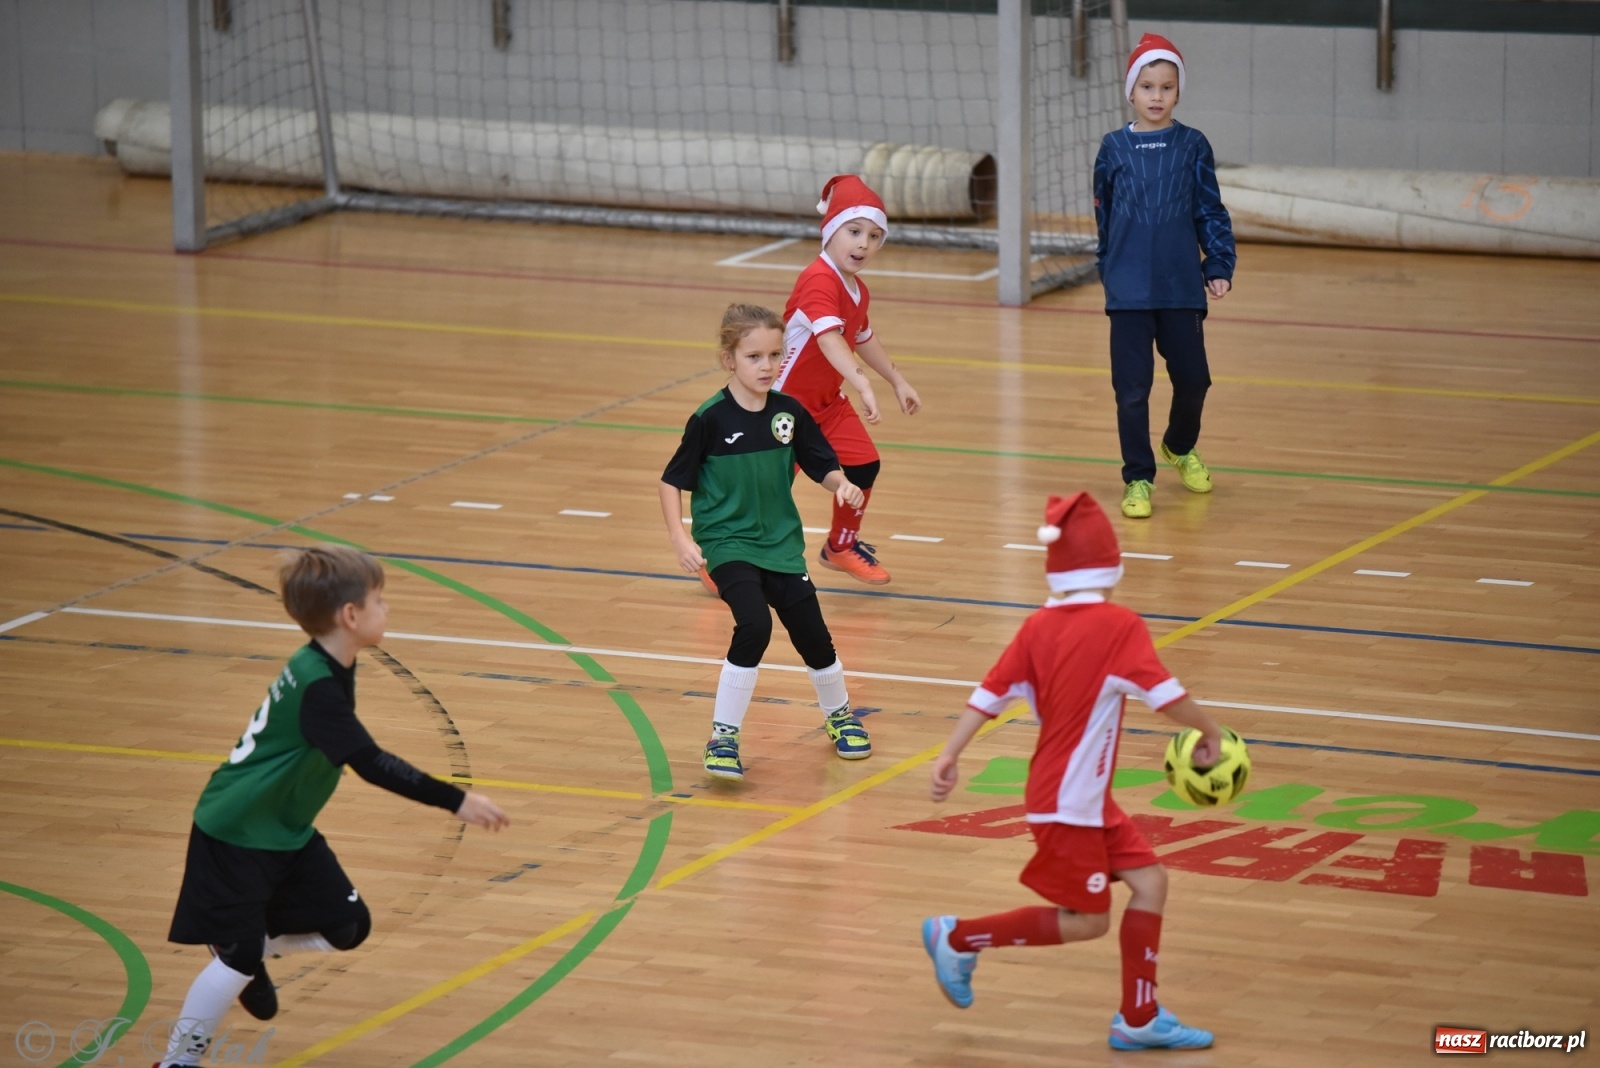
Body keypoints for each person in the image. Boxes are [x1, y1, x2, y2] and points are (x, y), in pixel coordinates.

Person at [154, 546, 508, 1068]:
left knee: (348, 927)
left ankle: (248, 948)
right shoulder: (319, 686)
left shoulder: (326, 661)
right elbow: (371, 763)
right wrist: (456, 800)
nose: (387, 609)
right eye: (380, 601)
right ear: (351, 615)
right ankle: (177, 1060)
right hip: (237, 830)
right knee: (241, 958)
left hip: (285, 829)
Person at [920, 492, 1221, 1051]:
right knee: (1087, 921)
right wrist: (1210, 732)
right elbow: (1167, 695)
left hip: (1076, 796)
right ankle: (959, 938)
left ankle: (1139, 1017)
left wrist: (949, 754)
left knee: (1151, 882)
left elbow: (988, 694)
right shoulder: (1117, 624)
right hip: (1069, 801)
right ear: (1109, 567)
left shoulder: (1038, 626)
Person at [660, 303, 873, 781]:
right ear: (729, 359)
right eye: (754, 356)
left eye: (775, 355)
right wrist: (680, 538)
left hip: (779, 542)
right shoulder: (709, 419)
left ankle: (839, 715)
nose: (767, 365)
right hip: (727, 541)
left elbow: (819, 461)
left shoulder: (788, 413)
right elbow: (671, 480)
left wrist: (839, 483)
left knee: (813, 634)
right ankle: (723, 736)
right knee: (754, 625)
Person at [1093, 33, 1236, 519]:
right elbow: (1104, 215)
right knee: (1131, 390)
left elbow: (1210, 210)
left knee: (1194, 379)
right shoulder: (1113, 148)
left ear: (1178, 92)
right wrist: (1108, 270)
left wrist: (1217, 264)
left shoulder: (1193, 145)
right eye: (1148, 86)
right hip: (1129, 293)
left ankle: (1179, 444)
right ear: (1131, 91)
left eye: (1167, 87)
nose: (1157, 96)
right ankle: (1138, 476)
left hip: (1180, 288)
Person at [772, 173, 922, 585]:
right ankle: (719, 560)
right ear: (830, 231)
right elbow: (830, 339)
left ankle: (839, 545)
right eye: (854, 231)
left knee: (863, 465)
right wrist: (862, 383)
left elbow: (861, 337)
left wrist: (895, 380)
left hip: (824, 404)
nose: (864, 244)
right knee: (765, 493)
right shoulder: (818, 279)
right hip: (781, 409)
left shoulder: (856, 288)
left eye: (874, 236)